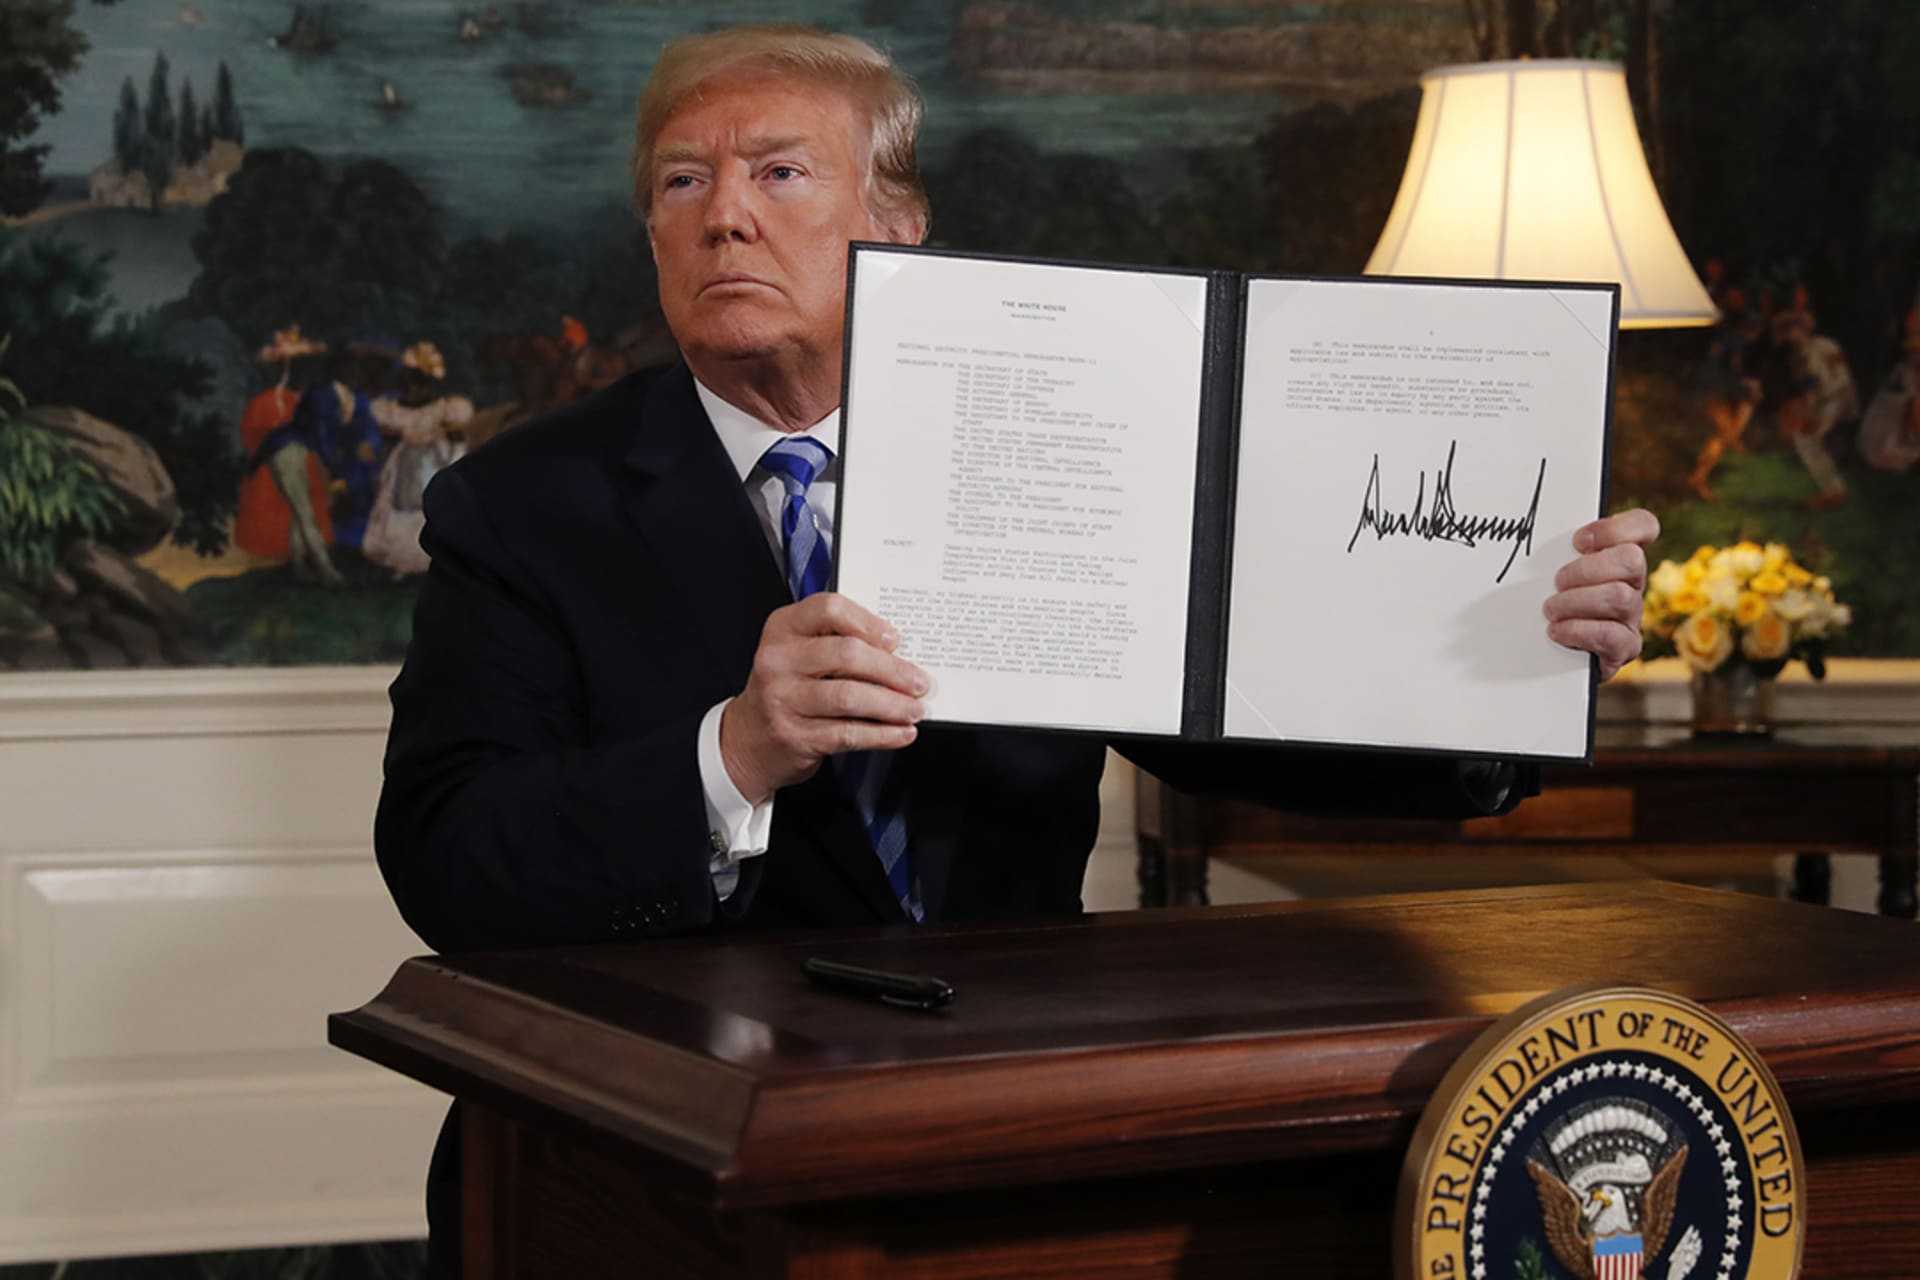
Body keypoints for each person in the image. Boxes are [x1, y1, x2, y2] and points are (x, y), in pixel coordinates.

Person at [373, 25, 1657, 1275]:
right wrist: (734, 754)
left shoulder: (1064, 438)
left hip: (1015, 1140)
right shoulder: (525, 504)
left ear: (896, 223)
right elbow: (447, 854)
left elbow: (1245, 709)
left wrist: (1514, 661)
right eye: (682, 180)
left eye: (778, 171)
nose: (725, 216)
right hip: (644, 1164)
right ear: (651, 232)